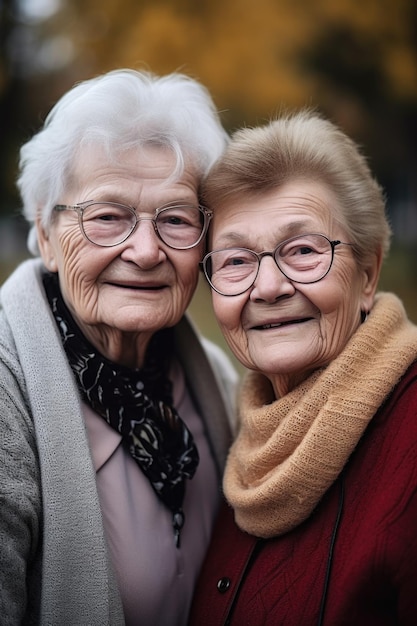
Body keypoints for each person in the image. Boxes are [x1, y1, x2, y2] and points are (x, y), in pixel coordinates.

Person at [0, 68, 238, 625]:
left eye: (176, 219)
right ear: (49, 233)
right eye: (108, 217)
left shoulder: (222, 386)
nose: (147, 250)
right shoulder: (7, 403)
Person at [189, 110, 417, 625]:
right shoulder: (242, 442)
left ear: (367, 273)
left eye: (303, 251)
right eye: (236, 261)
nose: (268, 287)